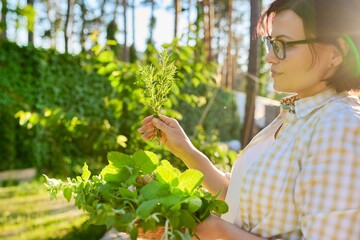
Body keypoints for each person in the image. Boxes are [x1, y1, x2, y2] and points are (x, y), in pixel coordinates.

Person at [138, 0, 360, 239]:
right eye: (271, 43)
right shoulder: (296, 115)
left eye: (282, 44)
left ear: (335, 54)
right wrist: (185, 150)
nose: (269, 58)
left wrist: (207, 227)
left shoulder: (340, 125)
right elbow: (240, 198)